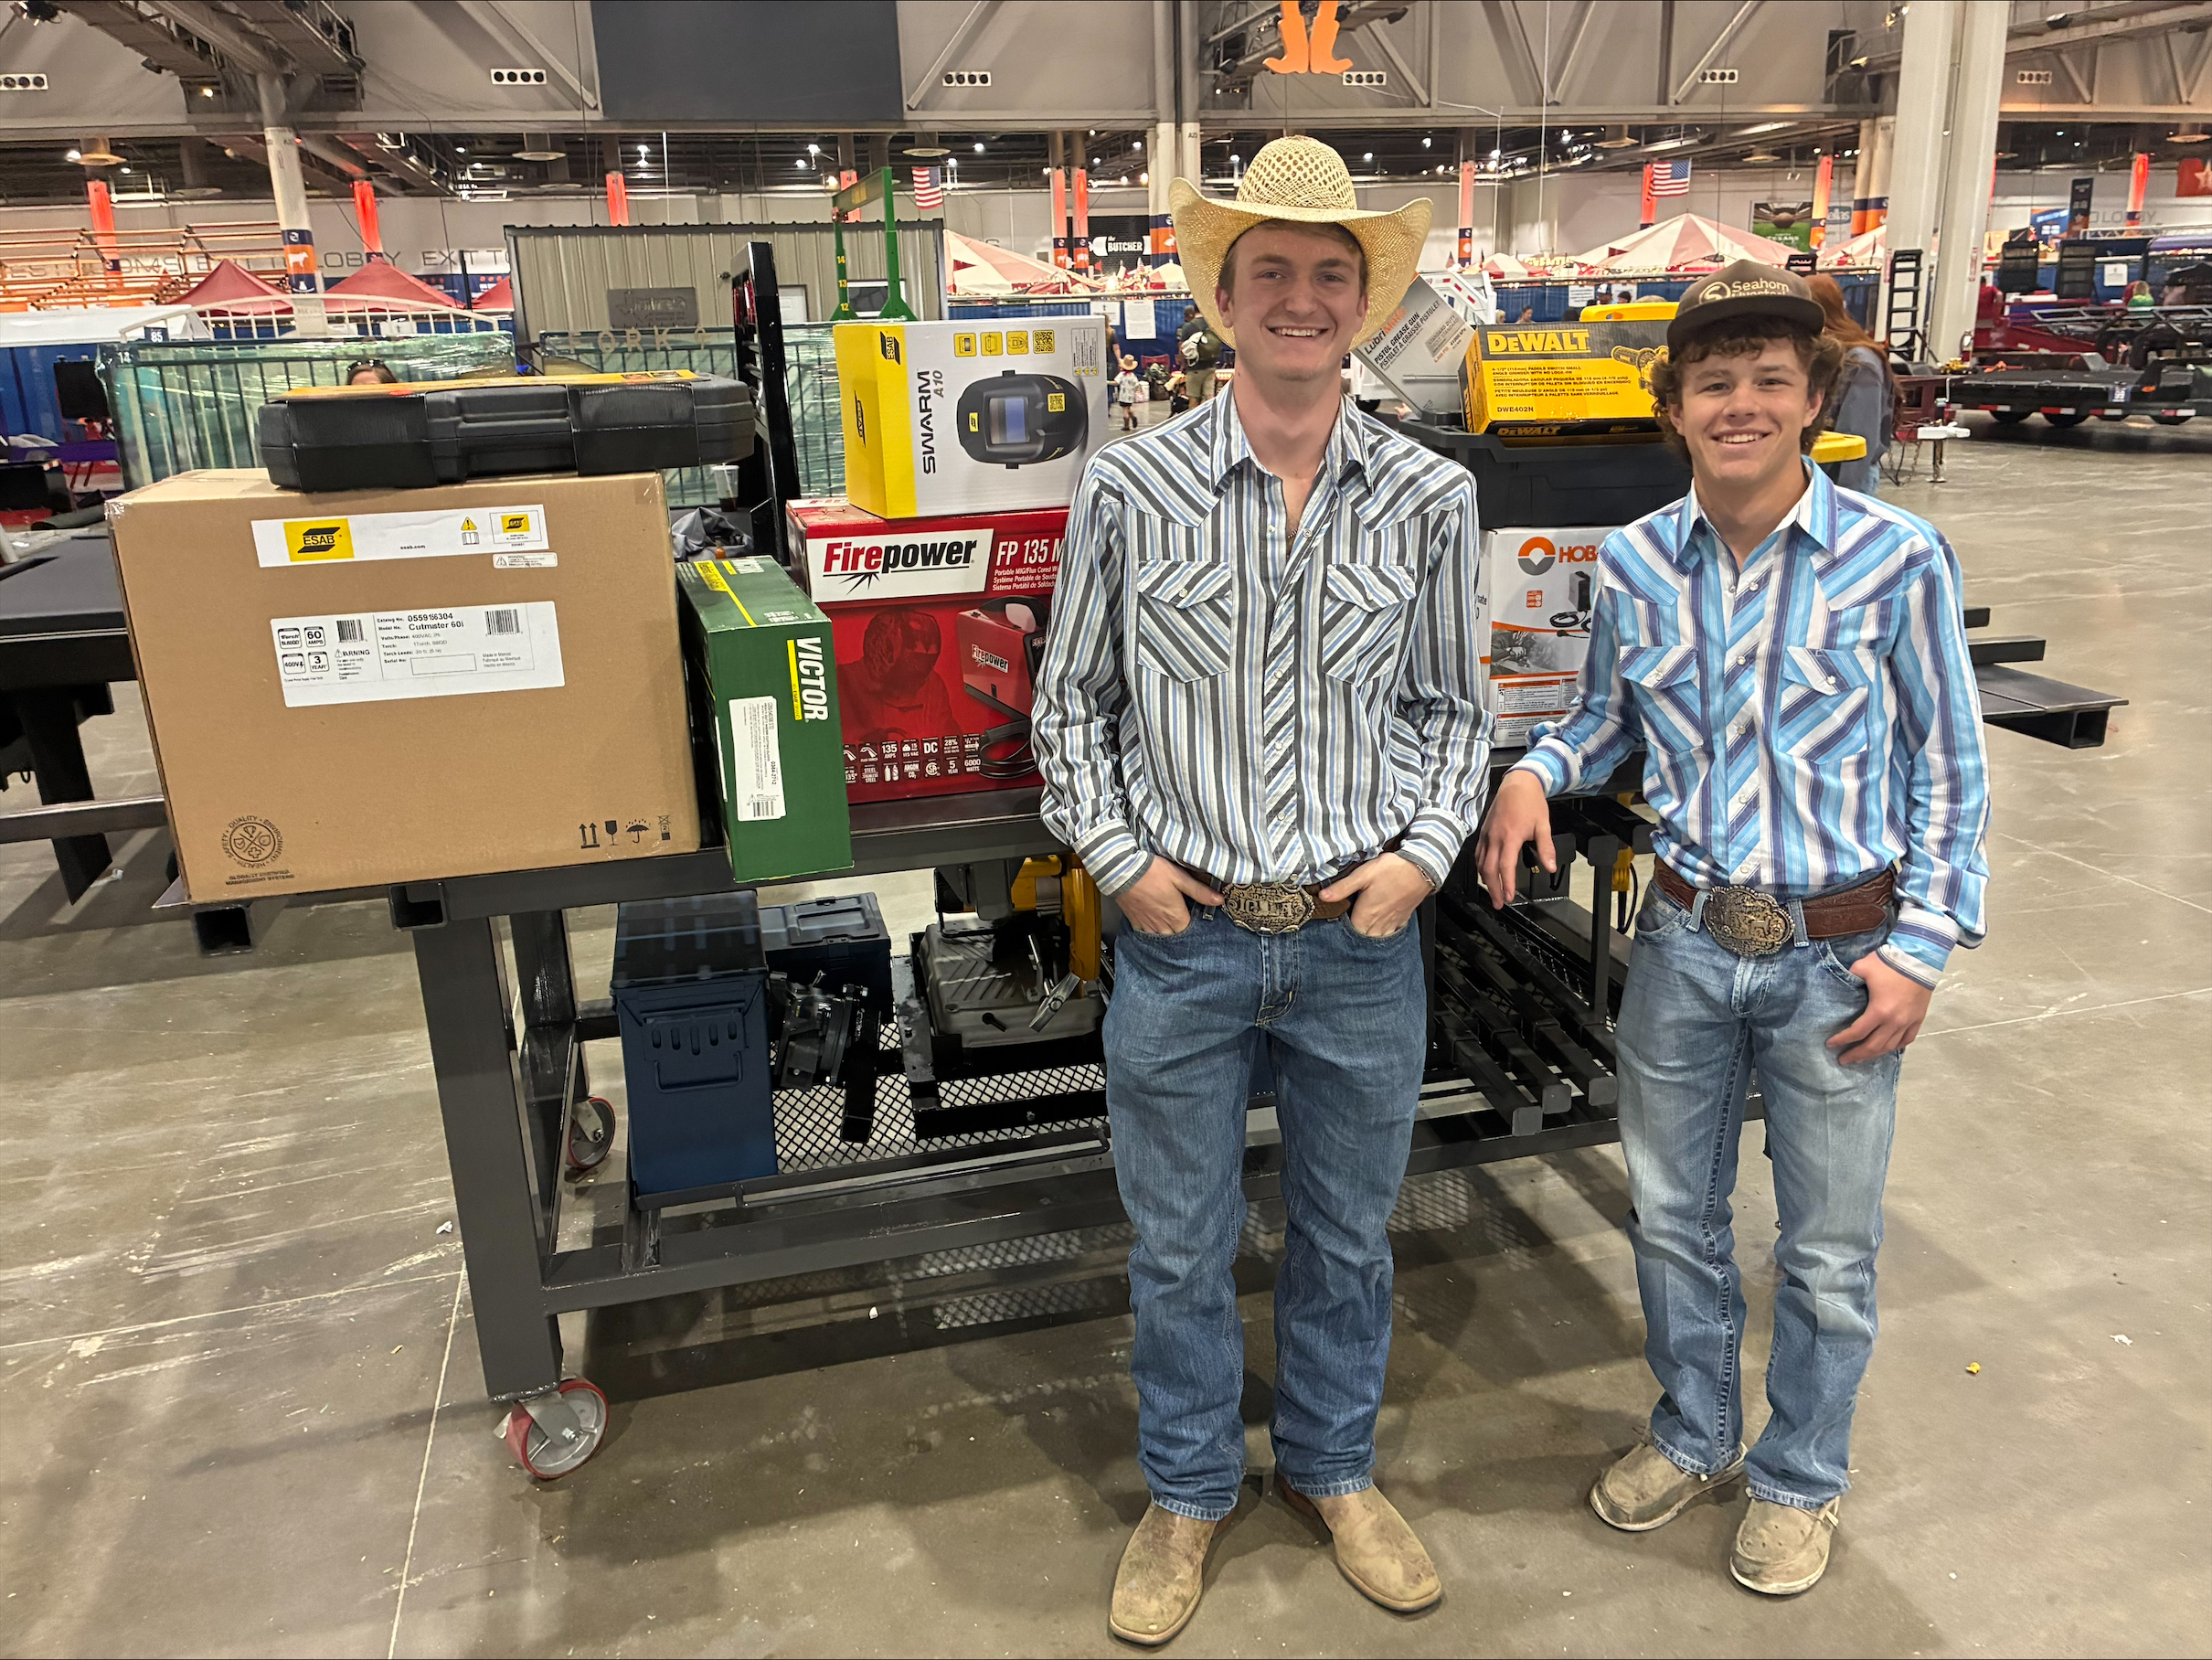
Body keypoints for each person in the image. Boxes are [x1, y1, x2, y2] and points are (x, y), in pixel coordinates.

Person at [1474, 261, 1989, 1599]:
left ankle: (1801, 1475)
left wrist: (1923, 942)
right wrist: (1534, 767)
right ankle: (1696, 1432)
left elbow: (1950, 766)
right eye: (1716, 383)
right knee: (1667, 1215)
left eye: (1771, 380)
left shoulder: (1898, 557)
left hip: (1839, 955)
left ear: (1817, 398)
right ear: (1678, 407)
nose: (1743, 404)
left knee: (1823, 1250)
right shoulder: (1638, 562)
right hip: (1689, 943)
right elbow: (1607, 721)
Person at [1035, 136, 1488, 1644]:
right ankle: (1185, 1493)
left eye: (1331, 274)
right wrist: (1123, 864)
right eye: (1273, 272)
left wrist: (1421, 856)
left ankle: (1333, 1470)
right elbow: (1070, 706)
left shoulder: (1429, 496)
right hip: (1190, 941)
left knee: (1352, 1233)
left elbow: (1453, 711)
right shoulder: (1128, 489)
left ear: (1366, 302)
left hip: (1358, 945)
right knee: (1178, 1240)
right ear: (1223, 297)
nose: (1301, 297)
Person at [1808, 272, 1893, 494]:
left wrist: (1844, 499)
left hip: (1847, 481)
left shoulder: (1860, 363)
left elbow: (1859, 439)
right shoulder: (1824, 354)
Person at [1115, 353, 1144, 431]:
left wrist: (1107, 382)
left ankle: (1126, 425)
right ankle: (1133, 417)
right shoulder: (1133, 375)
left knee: (1125, 409)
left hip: (1123, 395)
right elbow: (1137, 384)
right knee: (1128, 407)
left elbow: (1116, 382)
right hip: (1130, 395)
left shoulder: (1122, 374)